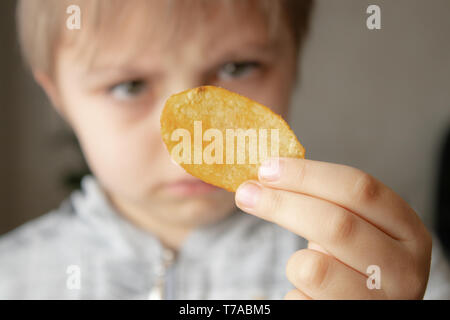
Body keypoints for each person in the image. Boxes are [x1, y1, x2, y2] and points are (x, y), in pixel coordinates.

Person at [1, 0, 449, 299]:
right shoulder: (13, 278)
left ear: (294, 63)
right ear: (58, 95)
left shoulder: (361, 262)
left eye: (238, 67)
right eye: (129, 86)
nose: (193, 141)